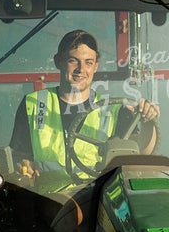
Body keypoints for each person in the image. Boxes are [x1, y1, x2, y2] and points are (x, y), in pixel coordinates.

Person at [10, 29, 159, 184]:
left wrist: (148, 121)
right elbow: (20, 156)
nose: (81, 69)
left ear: (95, 66)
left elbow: (143, 152)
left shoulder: (114, 109)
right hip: (48, 201)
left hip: (96, 201)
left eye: (88, 62)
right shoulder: (32, 104)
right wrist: (24, 163)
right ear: (58, 61)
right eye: (73, 61)